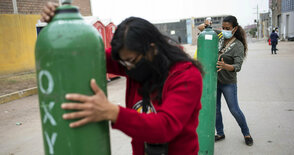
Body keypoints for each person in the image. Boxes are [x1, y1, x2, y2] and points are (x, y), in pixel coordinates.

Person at [41, 2, 204, 155]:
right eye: (123, 62)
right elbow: (89, 55)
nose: (127, 68)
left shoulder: (186, 75)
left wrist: (113, 112)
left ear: (151, 49)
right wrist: (64, 23)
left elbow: (164, 127)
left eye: (131, 61)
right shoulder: (135, 65)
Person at [198, 15, 254, 146]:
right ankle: (220, 132)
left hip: (228, 83)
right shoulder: (220, 36)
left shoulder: (238, 45)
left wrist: (225, 66)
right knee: (216, 109)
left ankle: (246, 133)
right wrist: (207, 24)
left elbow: (237, 66)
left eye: (227, 28)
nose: (224, 30)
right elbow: (201, 28)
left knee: (234, 109)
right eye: (223, 27)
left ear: (234, 29)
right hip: (215, 81)